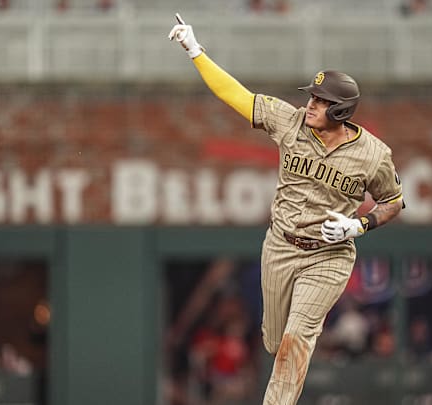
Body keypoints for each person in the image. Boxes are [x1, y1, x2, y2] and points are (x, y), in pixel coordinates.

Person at [169, 13, 404, 405]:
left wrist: (358, 226)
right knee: (275, 340)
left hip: (329, 255)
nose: (310, 104)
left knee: (297, 336)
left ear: (341, 111)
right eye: (312, 96)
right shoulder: (290, 121)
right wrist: (196, 51)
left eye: (320, 101)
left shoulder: (373, 155)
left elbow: (394, 201)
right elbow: (238, 97)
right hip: (280, 247)